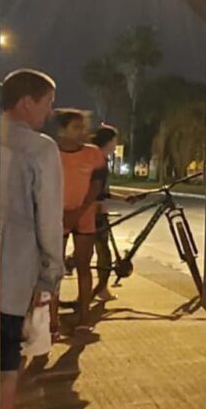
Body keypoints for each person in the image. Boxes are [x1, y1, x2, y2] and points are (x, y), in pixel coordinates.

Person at [0, 69, 64, 409]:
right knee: (3, 366)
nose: (50, 111)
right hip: (4, 277)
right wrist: (50, 276)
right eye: (47, 102)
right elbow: (48, 221)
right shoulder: (39, 149)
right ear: (27, 102)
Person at [53, 109, 108, 334]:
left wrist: (79, 211)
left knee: (84, 266)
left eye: (83, 127)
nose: (82, 132)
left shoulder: (93, 154)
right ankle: (51, 323)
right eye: (76, 127)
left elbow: (96, 185)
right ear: (62, 130)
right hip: (56, 218)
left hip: (84, 218)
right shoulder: (51, 152)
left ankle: (84, 318)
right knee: (53, 271)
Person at [88, 124, 120, 302]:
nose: (116, 145)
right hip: (95, 213)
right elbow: (95, 189)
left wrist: (123, 198)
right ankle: (100, 289)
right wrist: (98, 204)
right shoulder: (98, 159)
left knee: (97, 251)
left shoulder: (98, 158)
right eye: (115, 141)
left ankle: (100, 288)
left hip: (97, 210)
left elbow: (102, 190)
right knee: (103, 253)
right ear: (108, 141)